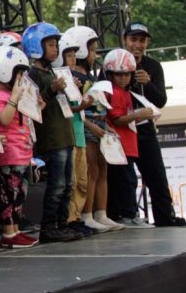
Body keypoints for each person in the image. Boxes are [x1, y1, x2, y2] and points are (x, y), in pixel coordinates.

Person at [22, 22, 81, 243]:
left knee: (68, 185)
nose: (55, 49)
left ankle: (62, 224)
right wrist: (52, 90)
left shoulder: (54, 72)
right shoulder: (33, 74)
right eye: (50, 45)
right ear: (36, 46)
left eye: (56, 45)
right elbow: (34, 105)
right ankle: (49, 227)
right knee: (57, 185)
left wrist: (71, 87)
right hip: (52, 137)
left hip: (65, 134)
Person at [123, 23, 185, 226]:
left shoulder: (153, 66)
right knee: (126, 179)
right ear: (125, 40)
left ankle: (165, 217)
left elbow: (161, 100)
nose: (137, 45)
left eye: (142, 40)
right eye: (133, 39)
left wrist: (148, 83)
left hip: (146, 129)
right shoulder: (114, 62)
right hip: (123, 129)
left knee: (157, 176)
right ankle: (128, 217)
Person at [66, 25, 123, 232]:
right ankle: (86, 214)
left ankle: (101, 213)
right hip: (86, 126)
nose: (95, 55)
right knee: (90, 170)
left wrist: (106, 125)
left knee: (102, 170)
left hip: (99, 124)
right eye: (91, 50)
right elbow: (74, 109)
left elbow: (100, 105)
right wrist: (91, 125)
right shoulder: (73, 78)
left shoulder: (92, 78)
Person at [0, 46, 38, 248]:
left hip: (22, 149)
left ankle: (15, 230)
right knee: (9, 193)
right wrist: (14, 98)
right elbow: (4, 120)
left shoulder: (8, 93)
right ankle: (8, 233)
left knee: (19, 193)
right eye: (19, 73)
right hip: (9, 152)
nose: (21, 78)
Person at [103, 48, 158, 229]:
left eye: (126, 74)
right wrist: (138, 114)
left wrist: (143, 117)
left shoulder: (125, 93)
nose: (123, 78)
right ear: (110, 74)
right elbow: (117, 119)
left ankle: (127, 214)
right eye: (118, 74)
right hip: (120, 145)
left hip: (127, 145)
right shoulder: (114, 92)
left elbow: (125, 119)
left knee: (128, 180)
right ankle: (128, 215)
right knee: (127, 181)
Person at [55, 31, 97, 237]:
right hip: (69, 135)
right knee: (70, 181)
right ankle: (68, 218)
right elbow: (65, 109)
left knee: (82, 180)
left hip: (79, 134)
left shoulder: (73, 80)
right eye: (69, 55)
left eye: (74, 55)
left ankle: (76, 217)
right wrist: (83, 105)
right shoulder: (58, 81)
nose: (73, 59)